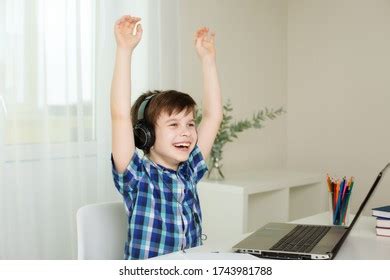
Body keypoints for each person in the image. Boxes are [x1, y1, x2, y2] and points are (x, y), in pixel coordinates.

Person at [110, 15, 222, 259]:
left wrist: (208, 60)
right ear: (145, 134)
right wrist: (124, 50)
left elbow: (213, 116)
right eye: (173, 124)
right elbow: (119, 115)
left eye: (190, 124)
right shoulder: (137, 176)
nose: (186, 131)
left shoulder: (188, 170)